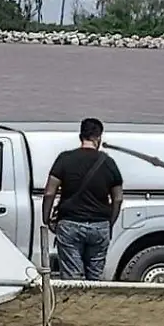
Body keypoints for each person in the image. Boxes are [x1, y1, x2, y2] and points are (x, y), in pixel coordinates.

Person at [42, 118, 124, 281]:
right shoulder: (108, 162)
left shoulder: (64, 159)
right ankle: (92, 305)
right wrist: (109, 222)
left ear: (81, 136)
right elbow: (118, 198)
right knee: (95, 278)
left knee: (73, 279)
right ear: (99, 138)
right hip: (99, 226)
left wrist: (47, 218)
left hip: (70, 224)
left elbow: (49, 192)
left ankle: (74, 305)